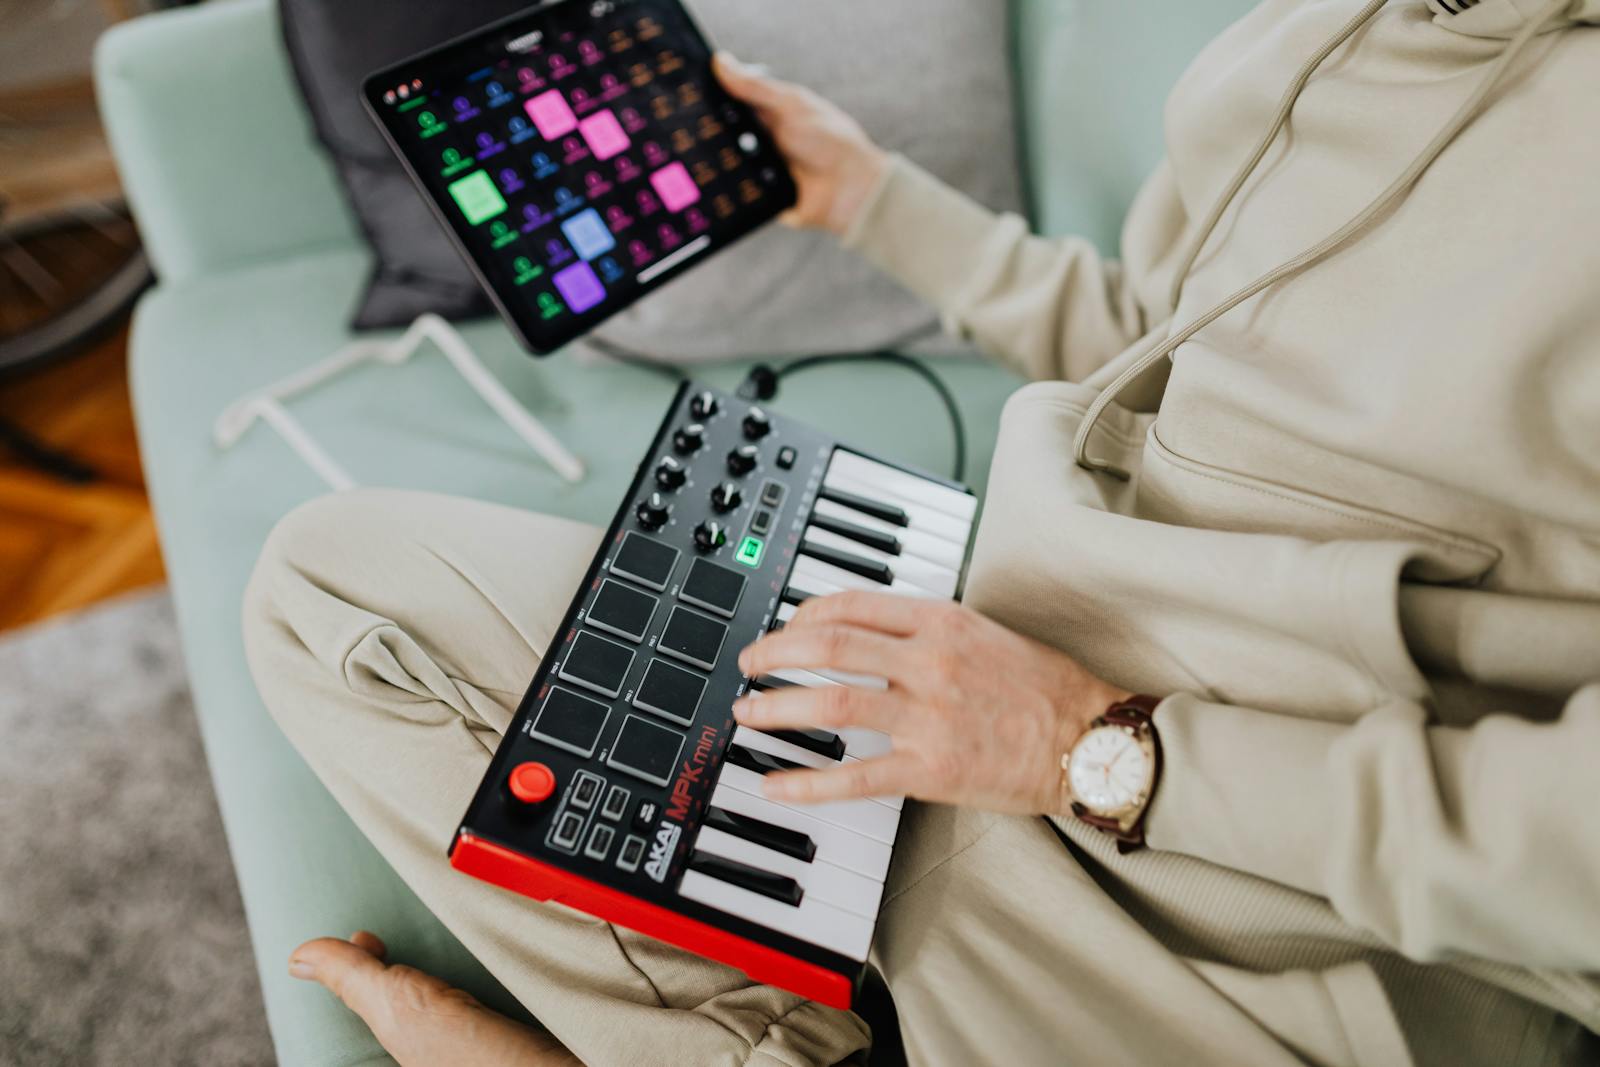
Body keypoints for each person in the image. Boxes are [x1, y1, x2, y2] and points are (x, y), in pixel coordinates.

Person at [243, 0, 1600, 1063]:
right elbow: (1166, 351)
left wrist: (1091, 748)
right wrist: (871, 199)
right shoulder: (1342, 29)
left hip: (1259, 918)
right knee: (326, 587)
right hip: (989, 658)